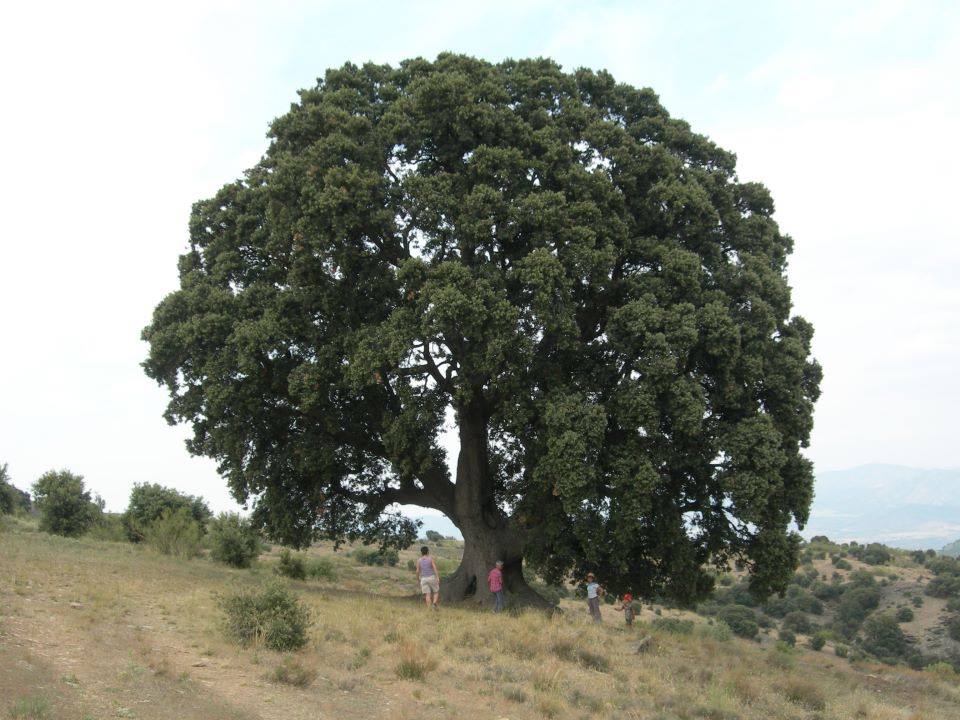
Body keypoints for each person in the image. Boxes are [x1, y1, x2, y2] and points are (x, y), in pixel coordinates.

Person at [416, 545, 440, 610]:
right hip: (431, 577)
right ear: (427, 552)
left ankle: (429, 609)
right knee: (436, 591)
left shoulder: (419, 560)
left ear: (421, 552)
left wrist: (418, 579)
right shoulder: (430, 559)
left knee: (427, 594)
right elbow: (434, 568)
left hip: (423, 579)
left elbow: (417, 571)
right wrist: (437, 577)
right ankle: (434, 604)